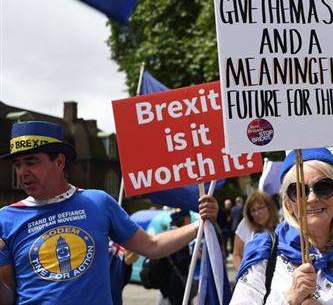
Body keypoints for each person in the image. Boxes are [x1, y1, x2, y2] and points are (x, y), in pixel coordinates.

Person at [0, 121, 219, 304]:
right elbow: (9, 296)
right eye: (17, 164)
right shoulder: (5, 219)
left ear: (59, 161)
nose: (22, 172)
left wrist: (200, 223)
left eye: (31, 162)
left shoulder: (98, 202)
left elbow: (151, 246)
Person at [232, 148, 333, 304]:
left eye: (323, 187)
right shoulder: (265, 253)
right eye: (298, 191)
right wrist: (290, 299)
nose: (311, 198)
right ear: (288, 204)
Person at [232, 191, 279, 270]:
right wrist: (243, 275)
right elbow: (237, 255)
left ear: (269, 207)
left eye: (260, 207)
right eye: (253, 210)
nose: (257, 213)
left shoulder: (281, 225)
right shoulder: (245, 225)